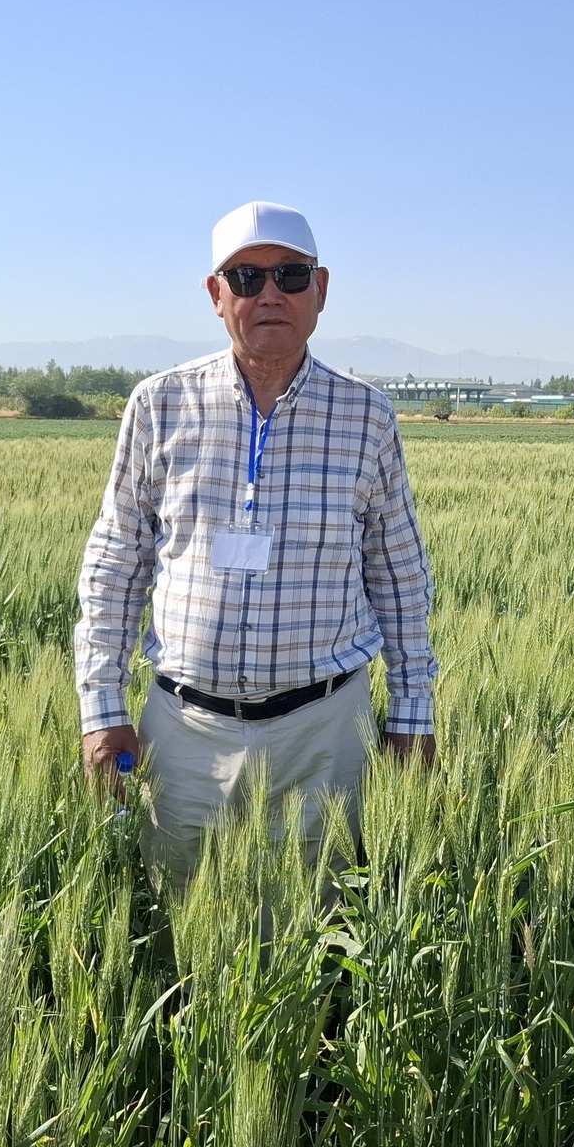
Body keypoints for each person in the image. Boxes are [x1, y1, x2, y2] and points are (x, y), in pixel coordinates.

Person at [75, 201, 438, 888]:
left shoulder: (367, 415)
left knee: (322, 918)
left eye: (290, 276)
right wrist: (102, 709)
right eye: (245, 277)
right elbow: (116, 563)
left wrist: (413, 713)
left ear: (320, 289)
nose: (269, 294)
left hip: (326, 732)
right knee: (184, 917)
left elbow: (399, 575)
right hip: (185, 732)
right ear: (216, 294)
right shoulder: (159, 404)